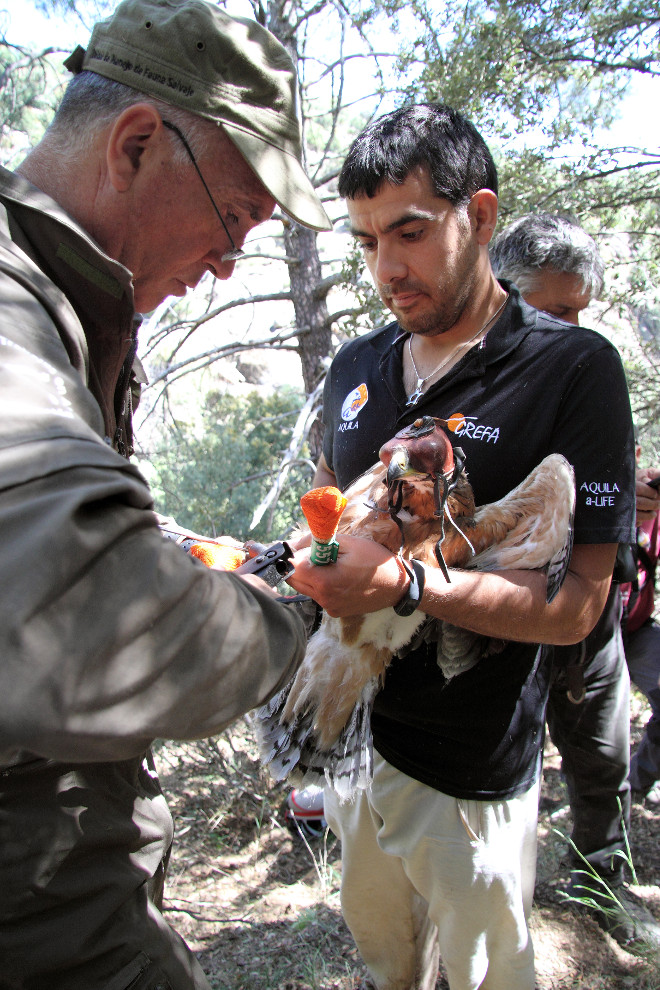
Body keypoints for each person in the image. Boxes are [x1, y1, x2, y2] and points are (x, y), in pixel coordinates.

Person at [0, 1, 332, 987]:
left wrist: (175, 551)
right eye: (236, 218)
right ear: (138, 143)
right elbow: (92, 615)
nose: (231, 262)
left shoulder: (64, 313)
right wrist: (297, 608)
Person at [286, 104, 636, 990]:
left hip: (473, 772)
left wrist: (407, 584)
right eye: (367, 243)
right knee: (385, 964)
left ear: (478, 216)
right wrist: (304, 560)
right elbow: (327, 526)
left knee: (484, 976)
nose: (386, 270)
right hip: (357, 745)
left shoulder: (572, 369)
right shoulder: (357, 368)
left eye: (409, 232)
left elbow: (577, 609)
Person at [490, 214, 660, 954]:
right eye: (555, 311)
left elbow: (602, 476)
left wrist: (633, 494)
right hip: (500, 616)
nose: (572, 328)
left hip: (592, 615)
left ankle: (601, 885)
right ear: (504, 292)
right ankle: (498, 911)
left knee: (601, 759)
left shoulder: (590, 371)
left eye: (579, 311)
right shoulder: (466, 376)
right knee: (501, 775)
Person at [625, 443, 660, 805]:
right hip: (584, 638)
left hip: (635, 632)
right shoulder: (585, 494)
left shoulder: (653, 507)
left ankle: (635, 785)